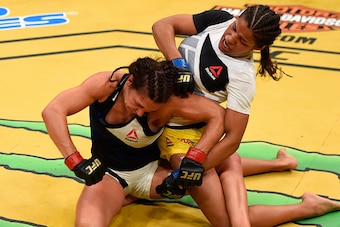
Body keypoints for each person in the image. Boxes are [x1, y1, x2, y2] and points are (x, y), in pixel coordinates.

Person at [151, 4, 337, 226]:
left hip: (186, 139)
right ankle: (279, 164)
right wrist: (177, 62)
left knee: (226, 222)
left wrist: (187, 171)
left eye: (243, 41)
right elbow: (162, 25)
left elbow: (231, 139)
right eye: (235, 28)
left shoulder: (241, 76)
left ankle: (308, 206)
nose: (230, 38)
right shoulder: (218, 20)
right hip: (153, 121)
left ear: (259, 47)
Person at [41, 56, 232, 226]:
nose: (141, 112)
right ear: (130, 81)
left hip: (157, 174)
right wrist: (75, 161)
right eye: (139, 105)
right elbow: (53, 111)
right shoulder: (105, 85)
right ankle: (127, 195)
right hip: (111, 176)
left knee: (218, 180)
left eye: (148, 110)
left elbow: (218, 115)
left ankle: (252, 169)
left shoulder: (168, 100)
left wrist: (195, 156)